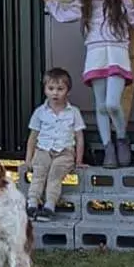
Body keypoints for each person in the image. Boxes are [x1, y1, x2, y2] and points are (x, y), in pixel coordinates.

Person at [42, 0, 134, 168]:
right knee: (101, 106)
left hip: (117, 54)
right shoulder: (84, 5)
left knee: (112, 103)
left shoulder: (122, 3)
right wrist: (48, 0)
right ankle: (108, 148)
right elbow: (64, 14)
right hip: (95, 55)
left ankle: (121, 138)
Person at [22, 68, 85, 220]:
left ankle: (49, 206)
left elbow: (79, 137)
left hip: (65, 152)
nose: (55, 93)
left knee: (55, 173)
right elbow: (33, 137)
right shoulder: (40, 112)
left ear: (67, 91)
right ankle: (32, 204)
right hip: (43, 150)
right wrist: (28, 159)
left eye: (60, 89)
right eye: (51, 89)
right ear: (45, 90)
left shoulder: (73, 112)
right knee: (39, 172)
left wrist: (78, 160)